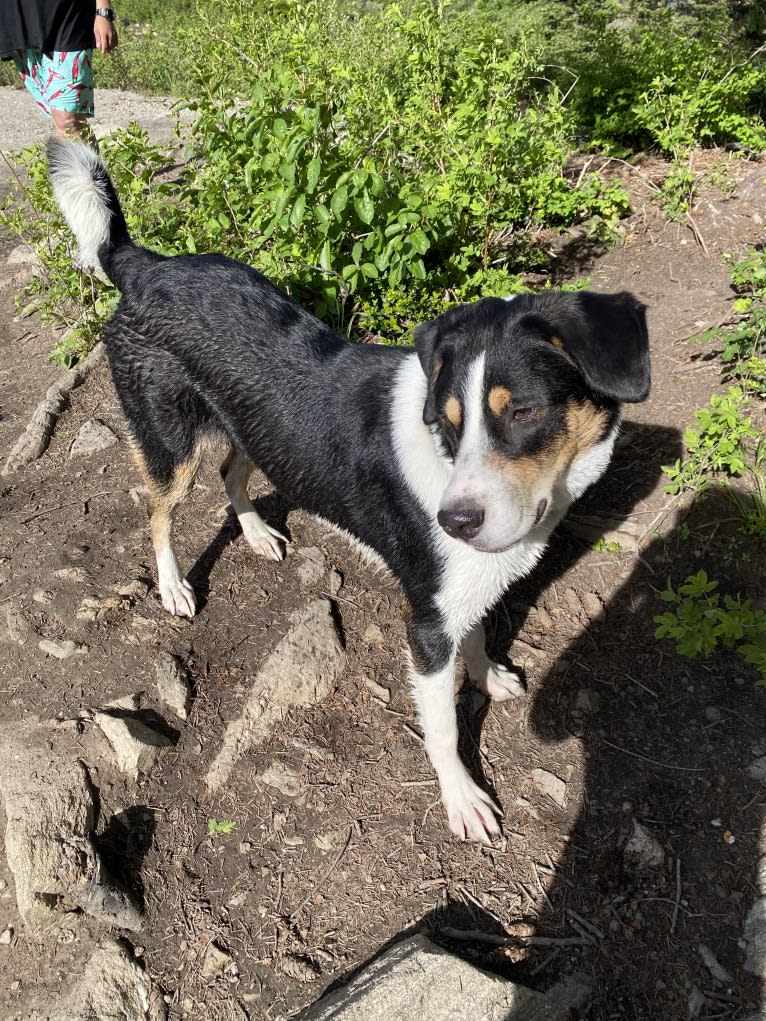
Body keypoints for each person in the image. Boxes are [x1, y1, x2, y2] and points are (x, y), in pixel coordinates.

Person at [1, 0, 118, 142]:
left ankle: (86, 165)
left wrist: (103, 11)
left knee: (68, 122)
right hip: (20, 19)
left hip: (68, 17)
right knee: (59, 116)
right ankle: (79, 163)